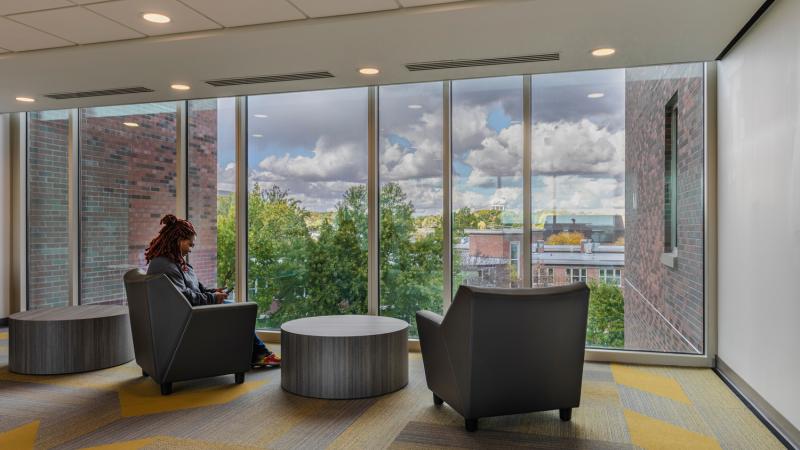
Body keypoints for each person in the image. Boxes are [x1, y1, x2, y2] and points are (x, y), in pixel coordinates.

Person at [144, 214, 281, 367]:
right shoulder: (166, 266)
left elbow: (193, 288)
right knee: (240, 312)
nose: (190, 249)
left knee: (236, 307)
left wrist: (212, 291)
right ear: (179, 240)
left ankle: (253, 354)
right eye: (190, 245)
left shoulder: (172, 262)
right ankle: (260, 354)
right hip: (189, 319)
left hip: (192, 313)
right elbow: (183, 297)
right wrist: (212, 298)